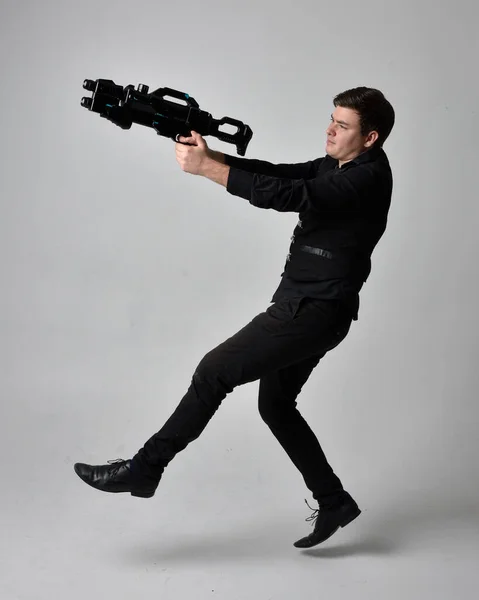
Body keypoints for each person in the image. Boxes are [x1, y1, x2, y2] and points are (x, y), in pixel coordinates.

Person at [74, 86, 395, 549]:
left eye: (342, 125)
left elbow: (288, 194)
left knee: (213, 370)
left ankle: (146, 468)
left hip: (313, 311)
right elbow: (277, 172)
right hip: (308, 305)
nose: (329, 129)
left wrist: (208, 171)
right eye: (331, 118)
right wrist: (216, 155)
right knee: (277, 406)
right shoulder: (339, 165)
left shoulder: (365, 179)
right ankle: (334, 501)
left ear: (370, 138)